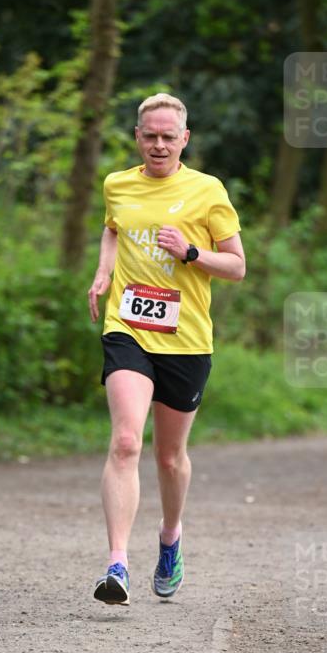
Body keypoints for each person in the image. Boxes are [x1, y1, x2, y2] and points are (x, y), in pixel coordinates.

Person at [87, 93, 245, 606]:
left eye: (168, 137)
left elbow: (237, 266)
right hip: (127, 327)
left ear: (185, 140)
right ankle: (117, 565)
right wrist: (104, 272)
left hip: (187, 340)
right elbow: (113, 229)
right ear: (138, 137)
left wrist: (192, 253)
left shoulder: (208, 191)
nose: (158, 144)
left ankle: (171, 536)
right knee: (127, 441)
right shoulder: (118, 184)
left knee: (169, 457)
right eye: (149, 135)